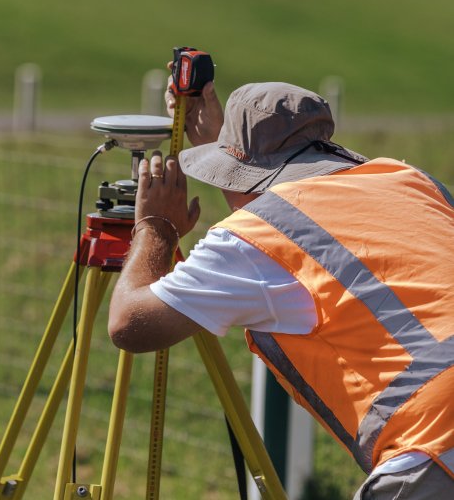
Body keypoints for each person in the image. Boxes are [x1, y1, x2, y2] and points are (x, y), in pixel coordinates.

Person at [107, 80, 454, 499]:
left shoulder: (259, 238)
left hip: (436, 443)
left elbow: (129, 323)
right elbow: (277, 202)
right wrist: (229, 146)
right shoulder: (404, 180)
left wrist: (155, 229)